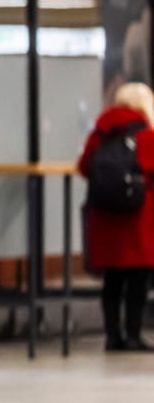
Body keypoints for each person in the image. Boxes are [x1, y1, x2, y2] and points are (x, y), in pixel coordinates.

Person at [77, 82, 154, 351]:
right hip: (138, 219)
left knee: (112, 280)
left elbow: (84, 167)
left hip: (105, 217)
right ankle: (133, 334)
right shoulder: (146, 134)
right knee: (137, 280)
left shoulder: (99, 133)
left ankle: (112, 335)